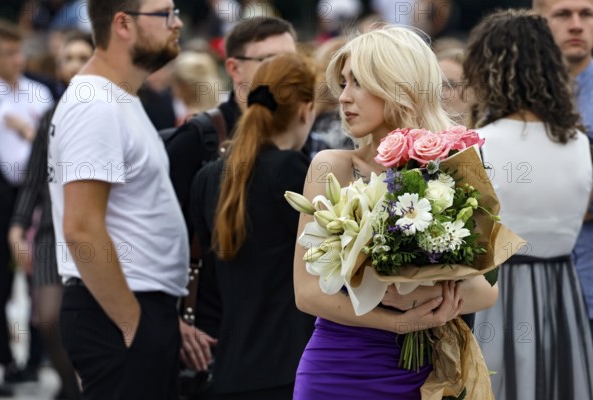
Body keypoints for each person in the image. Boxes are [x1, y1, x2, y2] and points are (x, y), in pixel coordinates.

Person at [292, 25, 499, 400]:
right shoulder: (331, 166)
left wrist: (428, 294)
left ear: (398, 86)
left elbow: (486, 291)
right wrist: (398, 321)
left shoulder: (452, 166)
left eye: (358, 83)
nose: (343, 97)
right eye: (343, 83)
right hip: (337, 368)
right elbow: (307, 294)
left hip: (425, 371)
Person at [47, 1, 188, 398]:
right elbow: (81, 228)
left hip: (135, 306)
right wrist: (133, 324)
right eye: (165, 13)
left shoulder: (117, 97)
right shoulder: (95, 103)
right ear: (123, 24)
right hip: (116, 312)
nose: (176, 23)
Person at [464, 9, 593, 400]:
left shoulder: (479, 144)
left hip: (497, 298)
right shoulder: (579, 142)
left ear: (489, 69)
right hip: (563, 294)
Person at [165, 16, 299, 377]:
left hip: (280, 342)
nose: (285, 72)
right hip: (211, 339)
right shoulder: (199, 138)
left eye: (293, 62)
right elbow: (154, 238)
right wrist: (172, 323)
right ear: (234, 68)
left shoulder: (302, 136)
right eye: (270, 61)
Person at [191, 52, 317, 400]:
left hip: (232, 369)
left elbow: (212, 280)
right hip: (289, 367)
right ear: (306, 108)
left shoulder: (208, 177)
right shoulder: (292, 169)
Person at [7, 30, 93, 400]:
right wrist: (18, 225)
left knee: (88, 324)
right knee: (47, 318)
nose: (74, 66)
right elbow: (34, 178)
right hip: (49, 235)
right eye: (67, 59)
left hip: (94, 232)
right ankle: (69, 387)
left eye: (81, 57)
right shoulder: (50, 116)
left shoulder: (112, 112)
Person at [0, 20, 54, 396]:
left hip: (36, 199)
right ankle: (3, 360)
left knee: (40, 279)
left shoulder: (37, 92)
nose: (20, 59)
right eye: (11, 53)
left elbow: (51, 146)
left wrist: (29, 134)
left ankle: (37, 356)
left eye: (21, 51)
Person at [533, 0, 593, 338]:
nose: (576, 25)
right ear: (539, 21)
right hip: (531, 285)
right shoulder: (517, 98)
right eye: (562, 14)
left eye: (586, 14)